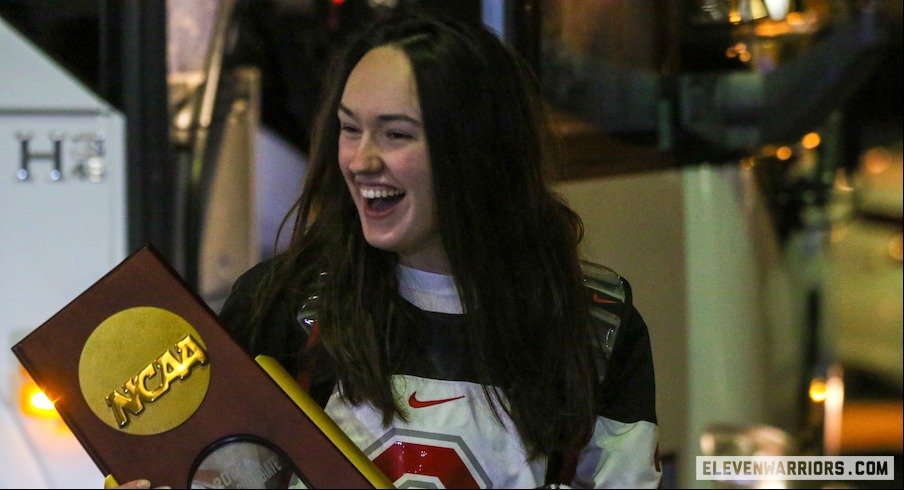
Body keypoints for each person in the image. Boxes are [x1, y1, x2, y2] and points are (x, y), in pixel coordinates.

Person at [120, 10, 660, 489]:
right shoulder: (285, 305)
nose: (360, 161)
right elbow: (212, 473)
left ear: (476, 149)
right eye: (349, 129)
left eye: (396, 135)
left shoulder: (594, 326)